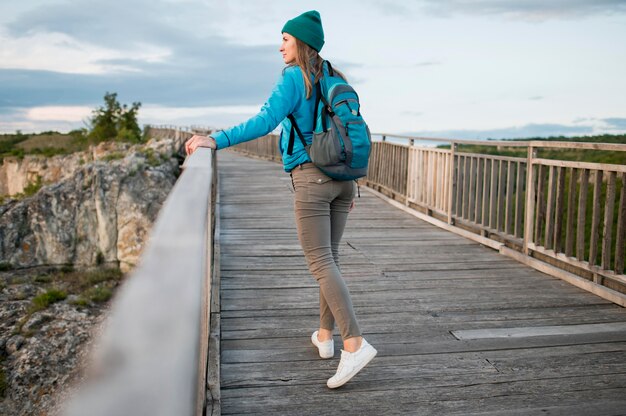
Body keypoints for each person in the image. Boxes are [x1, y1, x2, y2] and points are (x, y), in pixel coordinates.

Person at [185, 10, 376, 389]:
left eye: (285, 40)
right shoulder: (334, 76)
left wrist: (216, 139)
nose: (280, 46)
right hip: (343, 182)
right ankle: (325, 336)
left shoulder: (294, 77)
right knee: (331, 259)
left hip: (312, 179)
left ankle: (354, 343)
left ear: (300, 43)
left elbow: (265, 120)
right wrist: (350, 182)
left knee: (320, 261)